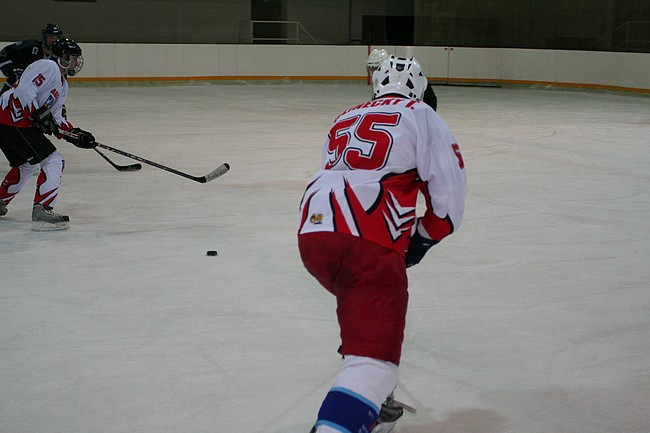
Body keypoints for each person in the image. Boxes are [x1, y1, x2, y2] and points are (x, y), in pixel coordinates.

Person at [299, 55, 467, 433]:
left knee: (364, 314)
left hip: (313, 233)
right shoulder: (422, 115)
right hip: (366, 238)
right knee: (373, 361)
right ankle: (355, 405)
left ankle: (374, 400)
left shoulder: (345, 116)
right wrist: (422, 239)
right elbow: (449, 198)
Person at [0, 38, 96, 231]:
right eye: (73, 58)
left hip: (9, 123)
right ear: (63, 57)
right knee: (54, 161)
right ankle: (42, 211)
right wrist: (39, 113)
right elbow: (24, 90)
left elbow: (56, 117)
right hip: (14, 121)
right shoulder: (47, 66)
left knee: (26, 165)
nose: (76, 63)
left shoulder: (63, 85)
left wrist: (75, 134)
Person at [0, 24, 63, 95]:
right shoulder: (30, 46)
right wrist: (11, 72)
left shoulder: (59, 57)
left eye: (57, 37)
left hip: (37, 92)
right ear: (44, 37)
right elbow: (4, 53)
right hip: (15, 87)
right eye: (50, 36)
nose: (54, 40)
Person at [366, 48, 438, 111]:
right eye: (371, 68)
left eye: (375, 68)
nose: (374, 72)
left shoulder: (397, 78)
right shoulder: (384, 80)